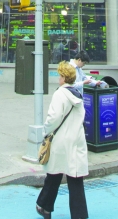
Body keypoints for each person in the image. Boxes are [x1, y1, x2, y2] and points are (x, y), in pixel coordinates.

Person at [36, 61, 88, 219]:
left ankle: (45, 206)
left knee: (54, 174)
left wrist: (46, 131)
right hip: (76, 139)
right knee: (75, 179)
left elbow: (53, 118)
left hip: (61, 140)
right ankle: (79, 216)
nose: (58, 78)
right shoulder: (77, 94)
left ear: (64, 78)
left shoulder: (60, 94)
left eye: (60, 76)